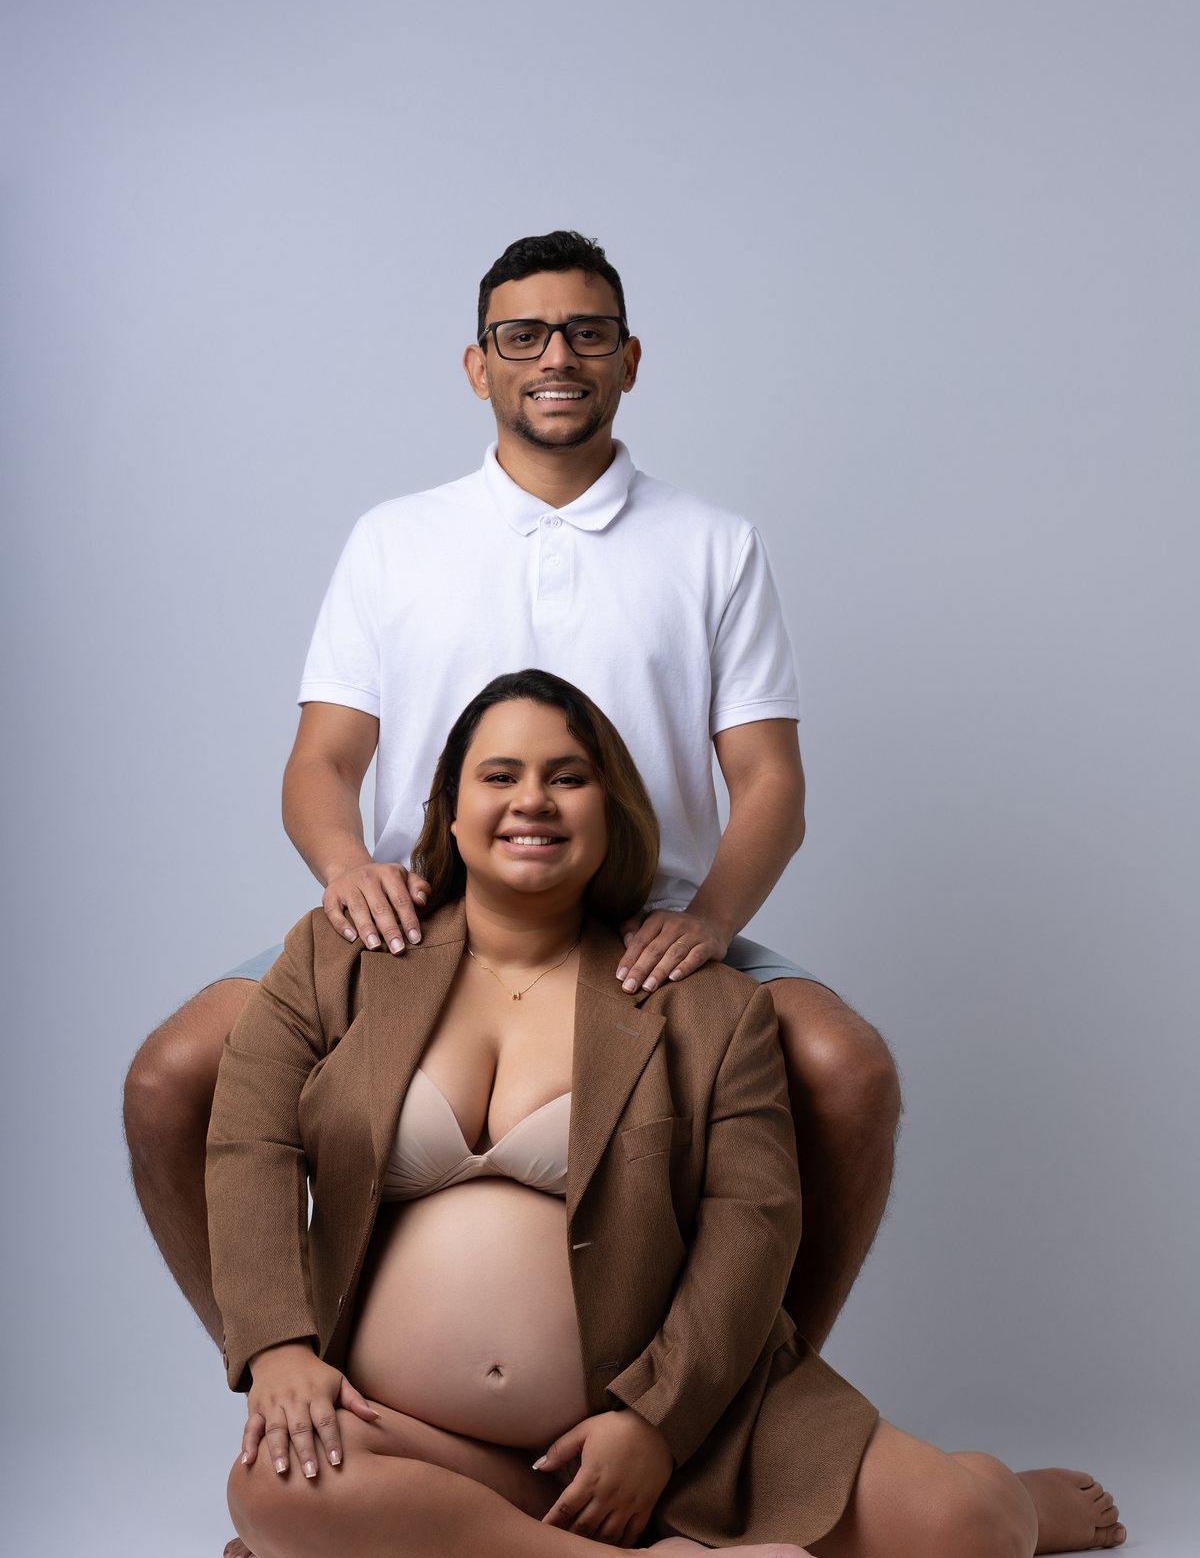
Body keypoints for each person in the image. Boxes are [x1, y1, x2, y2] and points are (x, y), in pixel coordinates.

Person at [124, 233, 900, 1421]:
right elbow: (321, 760)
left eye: (588, 333)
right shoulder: (395, 539)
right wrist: (346, 866)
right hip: (418, 920)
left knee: (850, 1074)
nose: (557, 357)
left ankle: (739, 1414)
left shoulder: (713, 545)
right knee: (169, 1080)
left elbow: (771, 785)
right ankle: (292, 1397)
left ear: (629, 360)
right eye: (523, 335)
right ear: (477, 365)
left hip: (643, 927)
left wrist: (708, 922)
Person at [211, 670, 1124, 1558]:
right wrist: (280, 1351)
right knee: (272, 1493)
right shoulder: (340, 957)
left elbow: (752, 1225)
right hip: (407, 1431)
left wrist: (653, 1424)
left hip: (685, 1438)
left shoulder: (707, 1002)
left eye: (568, 777)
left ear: (612, 811)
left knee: (973, 1548)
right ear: (446, 806)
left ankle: (1020, 1497)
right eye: (500, 775)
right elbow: (249, 1142)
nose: (532, 800)